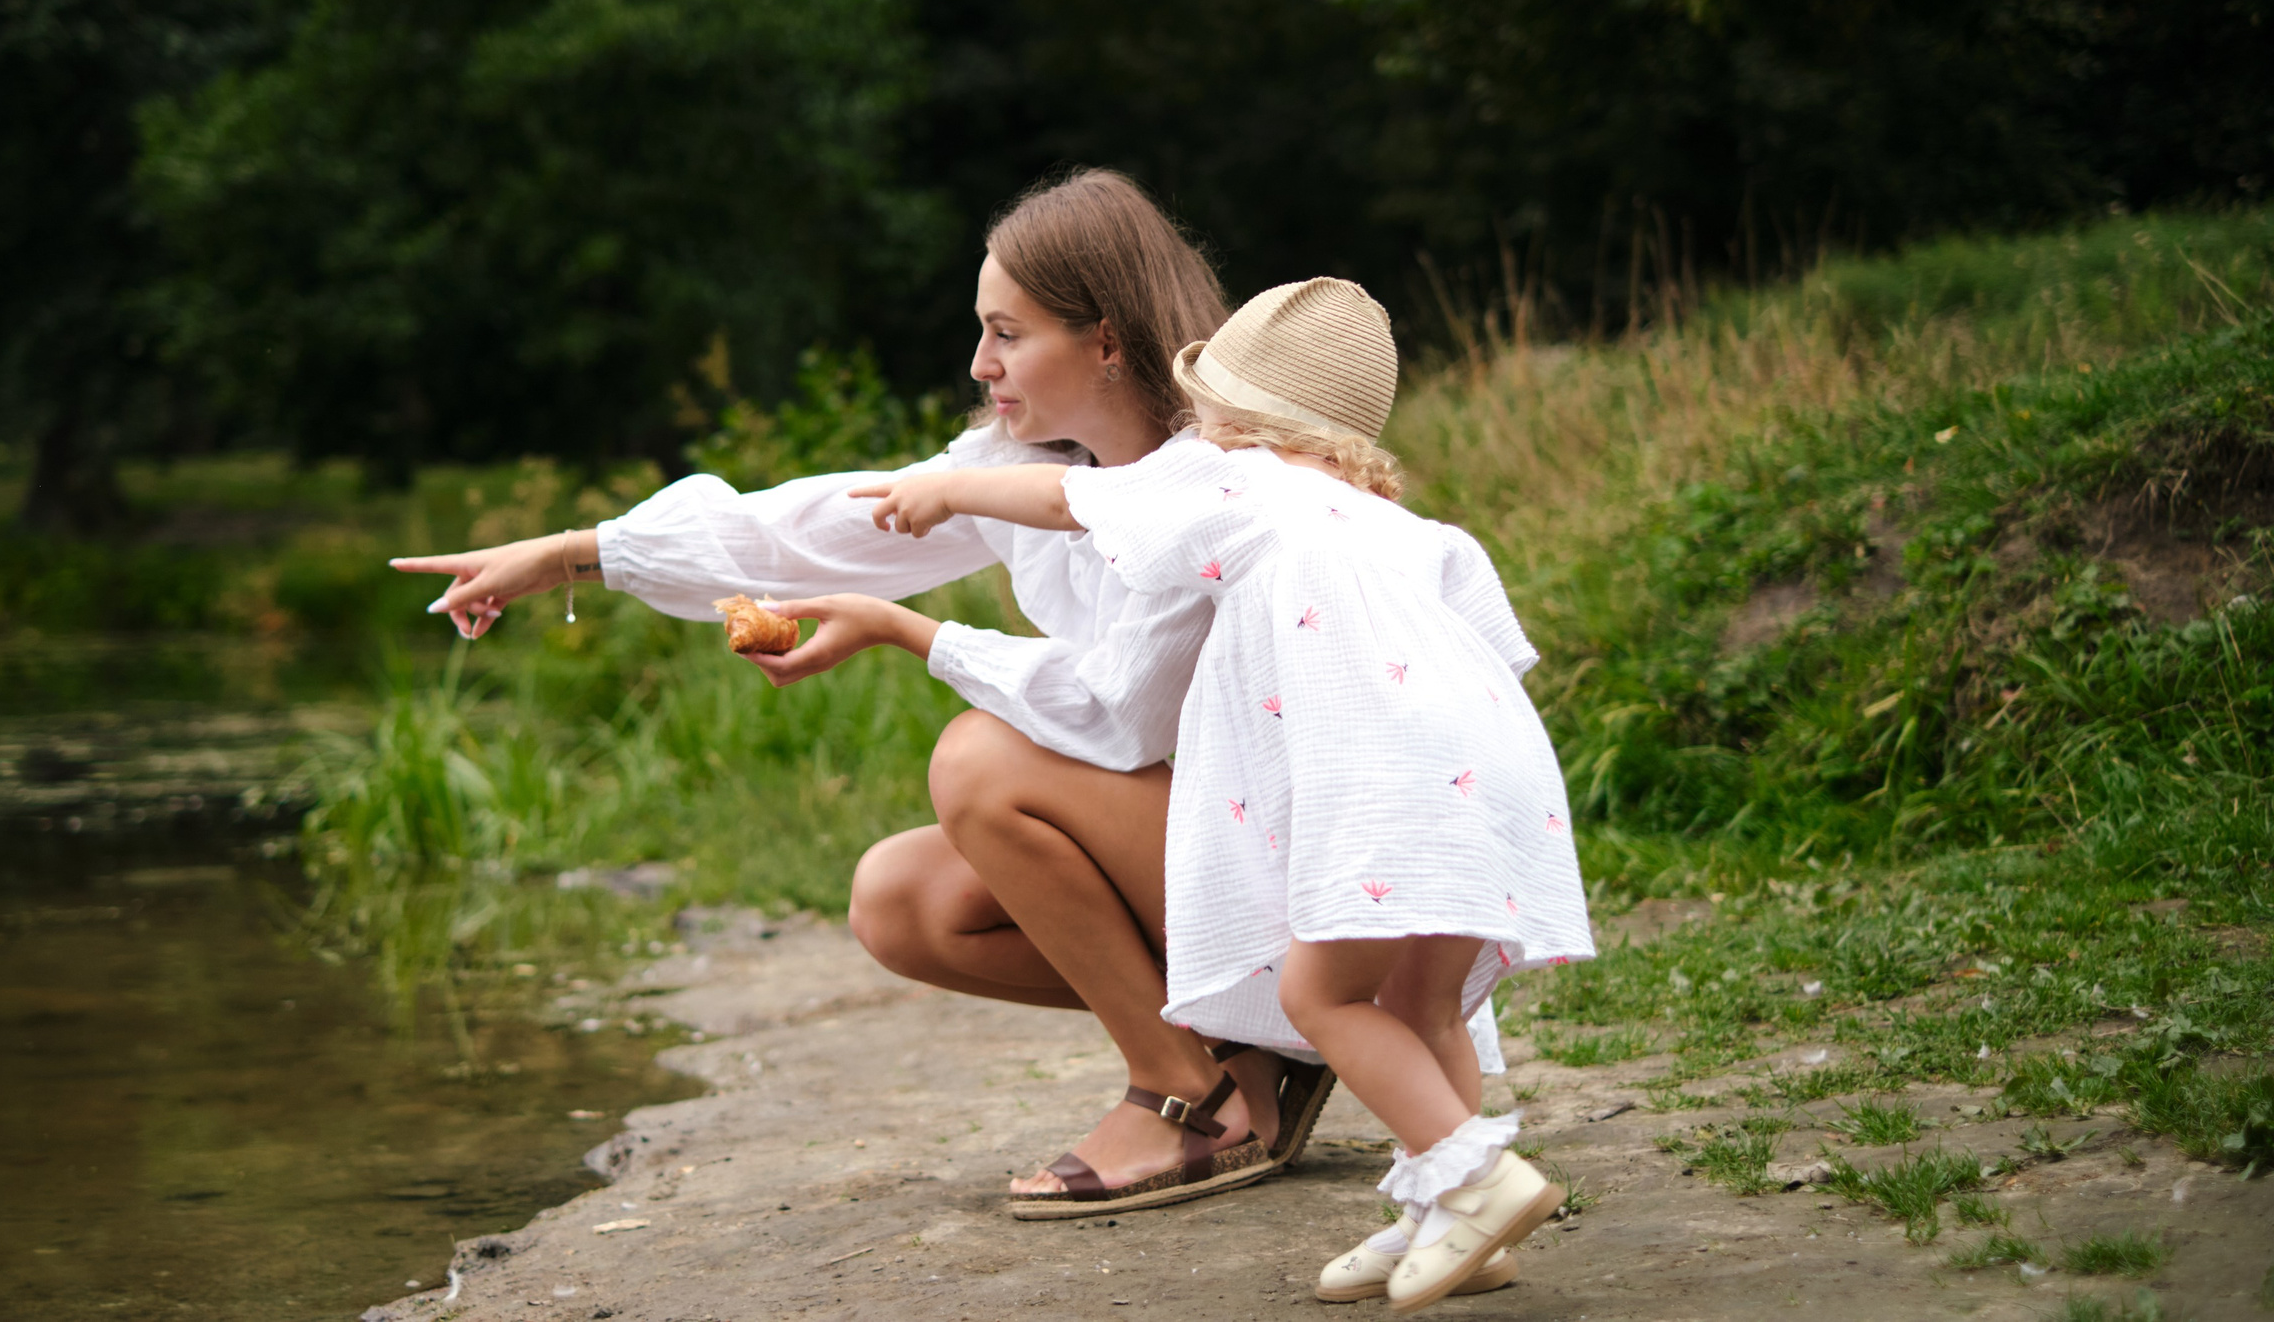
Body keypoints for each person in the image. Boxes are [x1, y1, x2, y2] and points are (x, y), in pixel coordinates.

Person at [389, 170, 1331, 1213]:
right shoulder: (1013, 468)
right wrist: (571, 555)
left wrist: (903, 630)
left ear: (1104, 340)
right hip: (1191, 845)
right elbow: (802, 528)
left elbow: (1119, 714)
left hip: (1292, 875)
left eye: (1007, 333)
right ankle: (1239, 1048)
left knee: (977, 761)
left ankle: (1188, 1096)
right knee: (902, 902)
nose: (980, 364)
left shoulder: (1218, 478)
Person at [853, 277, 1596, 1308]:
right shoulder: (1406, 526)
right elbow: (1499, 654)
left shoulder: (1233, 484)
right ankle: (1451, 1221)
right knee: (1421, 1006)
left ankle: (1474, 1178)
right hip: (1495, 777)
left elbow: (1072, 500)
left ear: (1234, 420)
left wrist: (949, 490)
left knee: (1320, 995)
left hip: (1383, 788)